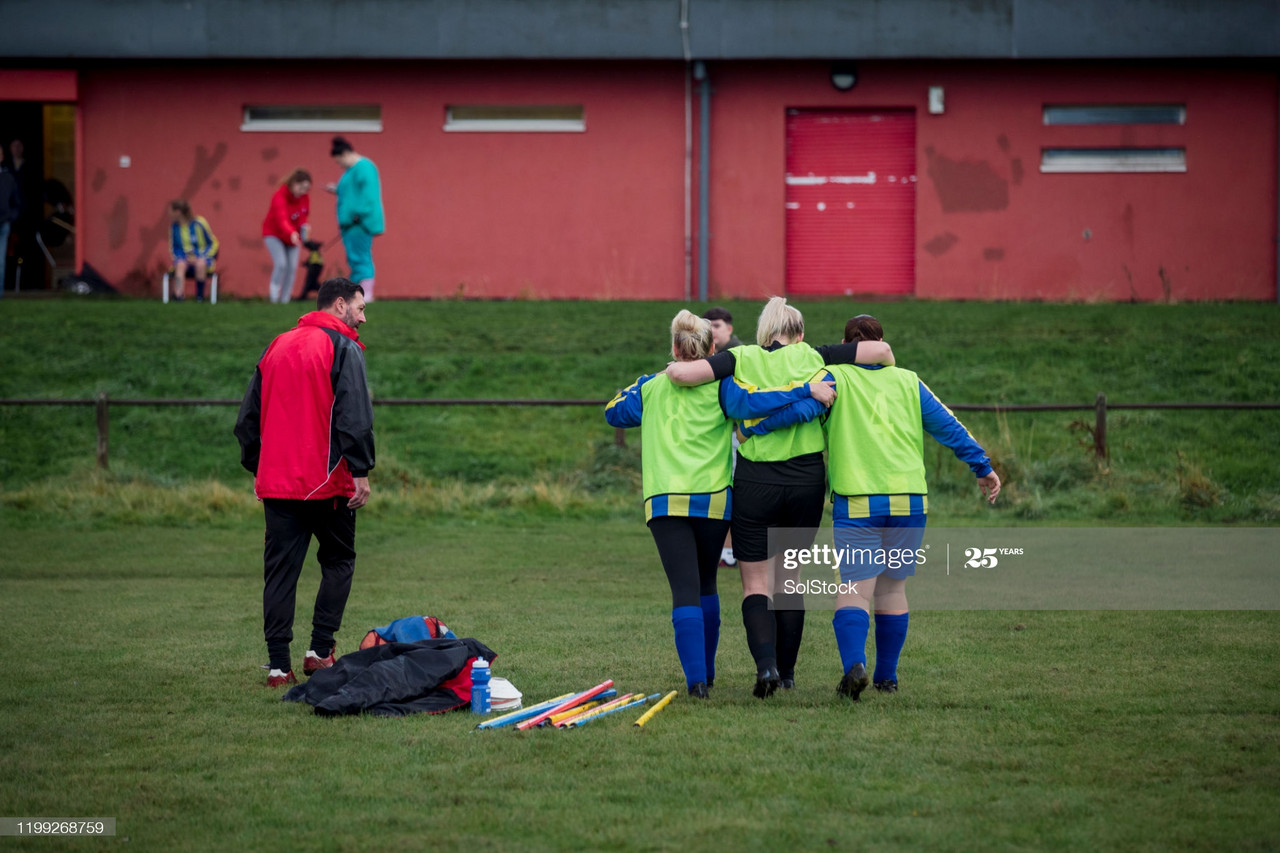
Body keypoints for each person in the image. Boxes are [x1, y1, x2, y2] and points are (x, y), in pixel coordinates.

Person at [744, 313, 1000, 700]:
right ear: (881, 341)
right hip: (910, 500)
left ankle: (854, 667)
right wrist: (982, 466)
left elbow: (799, 412)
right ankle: (887, 677)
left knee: (854, 589)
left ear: (847, 347)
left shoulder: (835, 379)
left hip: (859, 500)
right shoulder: (908, 381)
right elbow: (949, 426)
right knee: (892, 590)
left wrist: (754, 426)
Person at [666, 296, 893, 698]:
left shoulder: (743, 357)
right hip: (806, 481)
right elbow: (881, 350)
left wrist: (677, 368)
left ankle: (766, 668)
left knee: (755, 583)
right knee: (790, 580)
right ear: (800, 333)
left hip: (756, 481)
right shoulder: (816, 356)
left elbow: (684, 376)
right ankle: (787, 675)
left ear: (762, 333)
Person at [605, 310, 835, 698]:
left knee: (685, 590)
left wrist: (651, 379)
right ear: (713, 349)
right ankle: (714, 674)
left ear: (674, 348)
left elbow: (614, 410)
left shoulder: (650, 387)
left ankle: (698, 683)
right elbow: (755, 404)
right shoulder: (723, 389)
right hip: (714, 501)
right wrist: (804, 391)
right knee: (709, 583)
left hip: (664, 501)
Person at [234, 277, 375, 687]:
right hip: (328, 485)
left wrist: (261, 466)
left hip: (278, 486)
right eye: (360, 307)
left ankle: (279, 668)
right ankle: (319, 651)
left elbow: (246, 421)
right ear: (338, 305)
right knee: (339, 561)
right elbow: (355, 416)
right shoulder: (343, 347)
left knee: (279, 574)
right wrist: (361, 471)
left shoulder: (276, 345)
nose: (363, 317)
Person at [702, 306, 744, 567]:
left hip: (736, 433)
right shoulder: (706, 354)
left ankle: (729, 551)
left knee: (732, 491)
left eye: (716, 325)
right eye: (708, 326)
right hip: (715, 433)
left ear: (729, 328)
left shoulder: (739, 355)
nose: (712, 331)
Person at [325, 136, 384, 301]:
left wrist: (358, 214)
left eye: (339, 161)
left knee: (360, 257)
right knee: (354, 258)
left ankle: (366, 295)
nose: (340, 165)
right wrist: (337, 189)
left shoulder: (364, 167)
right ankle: (356, 295)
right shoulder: (351, 171)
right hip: (350, 224)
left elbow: (369, 196)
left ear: (345, 154)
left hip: (358, 223)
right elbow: (352, 192)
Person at [261, 169, 311, 304]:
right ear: (293, 183)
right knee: (281, 264)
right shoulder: (279, 196)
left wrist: (303, 229)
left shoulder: (304, 197)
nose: (303, 191)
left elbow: (303, 215)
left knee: (292, 267)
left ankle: (285, 299)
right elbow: (281, 219)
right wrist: (292, 232)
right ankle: (274, 296)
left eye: (306, 188)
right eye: (301, 187)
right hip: (274, 234)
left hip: (293, 237)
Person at [167, 199, 219, 302]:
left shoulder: (199, 223)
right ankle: (178, 296)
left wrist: (201, 256)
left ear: (178, 212)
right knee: (180, 265)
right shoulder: (174, 227)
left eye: (171, 211)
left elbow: (213, 243)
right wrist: (183, 258)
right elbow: (174, 248)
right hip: (184, 259)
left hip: (202, 259)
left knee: (200, 264)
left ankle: (200, 297)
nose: (169, 214)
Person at [0, 162, 18, 298]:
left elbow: (17, 202)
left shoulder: (8, 178)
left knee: (0, 262)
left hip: (3, 224)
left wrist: (9, 217)